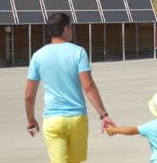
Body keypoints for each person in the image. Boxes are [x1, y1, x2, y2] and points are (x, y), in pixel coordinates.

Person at [25, 12, 115, 163]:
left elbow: (29, 95)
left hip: (53, 120)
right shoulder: (78, 52)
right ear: (66, 29)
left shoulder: (38, 56)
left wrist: (31, 119)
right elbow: (88, 87)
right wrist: (103, 115)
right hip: (77, 119)